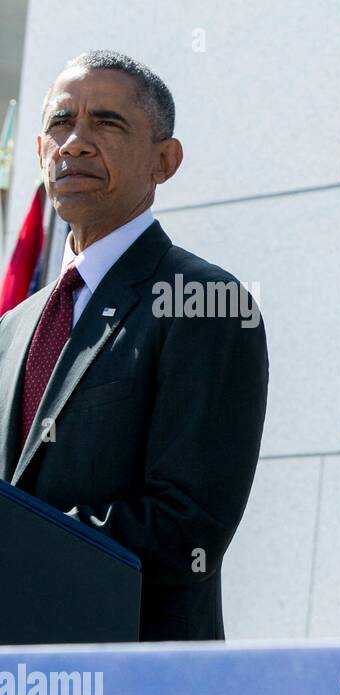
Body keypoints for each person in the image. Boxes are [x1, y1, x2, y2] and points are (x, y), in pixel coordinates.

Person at [0, 50, 268, 641]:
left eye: (107, 123)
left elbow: (186, 529)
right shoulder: (12, 327)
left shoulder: (205, 304)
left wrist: (19, 552)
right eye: (60, 124)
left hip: (132, 686)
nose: (75, 143)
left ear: (165, 161)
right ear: (41, 154)